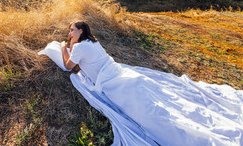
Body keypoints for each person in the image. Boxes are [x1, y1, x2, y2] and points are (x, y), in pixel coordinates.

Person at [53, 21, 243, 146]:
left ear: (81, 31)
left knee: (152, 111)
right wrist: (71, 43)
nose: (69, 33)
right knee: (159, 98)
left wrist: (63, 47)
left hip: (111, 81)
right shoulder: (94, 42)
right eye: (69, 31)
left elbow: (69, 66)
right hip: (118, 71)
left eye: (72, 30)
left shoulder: (77, 46)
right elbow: (77, 54)